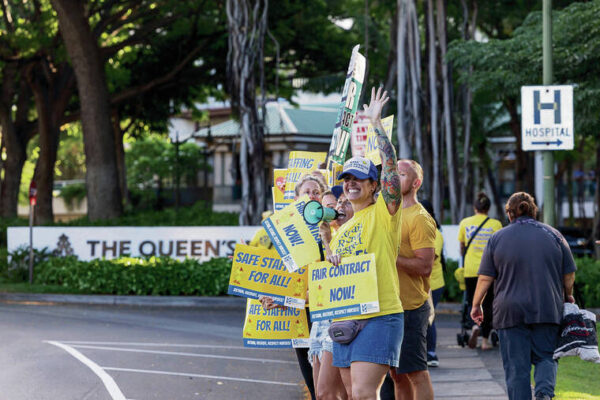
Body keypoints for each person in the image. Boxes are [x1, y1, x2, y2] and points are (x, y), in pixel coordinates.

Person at [326, 87, 404, 400]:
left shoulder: (385, 213)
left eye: (359, 179)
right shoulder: (342, 228)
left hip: (380, 315)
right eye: (347, 179)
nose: (351, 183)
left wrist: (376, 125)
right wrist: (331, 261)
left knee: (362, 393)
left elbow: (392, 170)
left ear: (374, 185)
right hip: (345, 315)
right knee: (349, 394)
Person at [470, 192, 576, 400]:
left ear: (509, 214)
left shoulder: (497, 238)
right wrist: (568, 295)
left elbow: (484, 279)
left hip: (509, 312)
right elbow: (569, 274)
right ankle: (544, 393)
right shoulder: (555, 235)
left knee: (517, 369)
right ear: (533, 211)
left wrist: (476, 305)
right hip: (547, 308)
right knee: (547, 356)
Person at [260, 173, 326, 400]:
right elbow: (275, 277)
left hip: (327, 313)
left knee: (330, 385)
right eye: (306, 192)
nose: (311, 196)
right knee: (313, 384)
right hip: (299, 315)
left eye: (316, 192)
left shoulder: (331, 229)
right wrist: (270, 296)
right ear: (297, 198)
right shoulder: (285, 234)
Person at [390, 159, 436, 400]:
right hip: (388, 305)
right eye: (393, 173)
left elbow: (425, 266)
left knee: (416, 372)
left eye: (402, 175)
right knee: (397, 374)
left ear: (416, 183)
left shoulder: (419, 217)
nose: (395, 178)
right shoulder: (389, 212)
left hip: (411, 306)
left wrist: (392, 257)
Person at [311, 193, 355, 400]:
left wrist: (327, 242)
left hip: (342, 318)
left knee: (329, 393)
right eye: (339, 203)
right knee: (322, 394)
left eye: (347, 202)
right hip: (322, 319)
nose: (340, 207)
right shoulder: (335, 235)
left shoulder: (356, 234)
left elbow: (339, 276)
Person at [457, 192, 502, 350]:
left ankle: (475, 326)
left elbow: (462, 248)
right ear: (488, 208)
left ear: (475, 207)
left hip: (470, 271)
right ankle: (484, 340)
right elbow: (499, 250)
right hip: (489, 271)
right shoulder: (495, 225)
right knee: (488, 303)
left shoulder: (465, 223)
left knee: (472, 302)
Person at [420, 199, 445, 368]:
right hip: (422, 283)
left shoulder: (435, 233)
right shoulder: (422, 230)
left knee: (429, 317)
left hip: (433, 283)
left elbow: (429, 259)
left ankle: (431, 353)